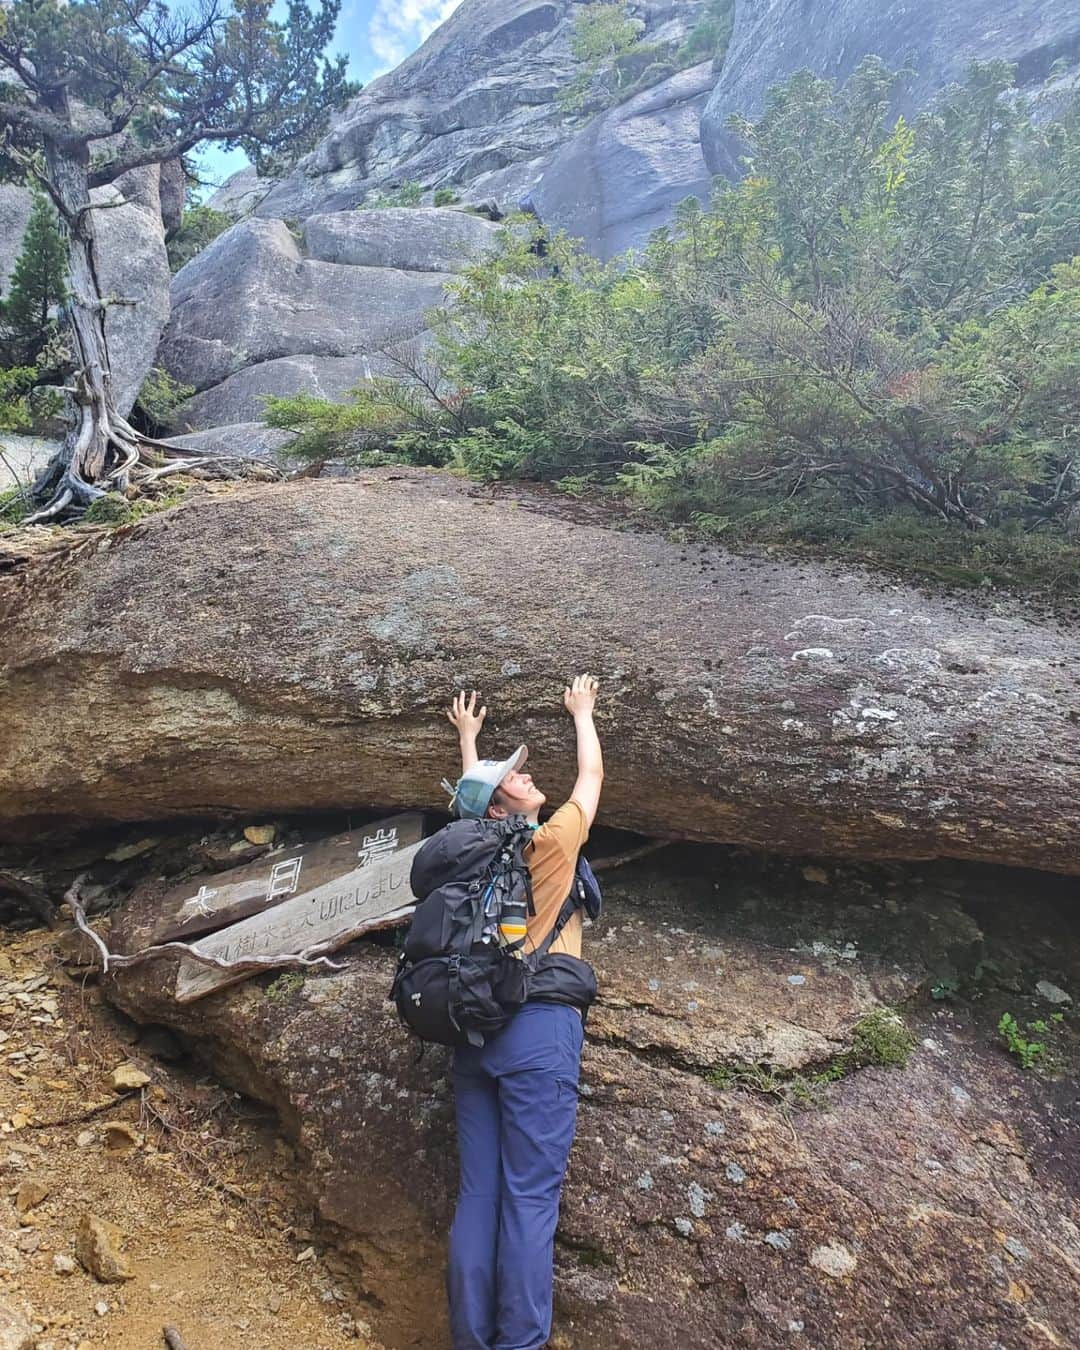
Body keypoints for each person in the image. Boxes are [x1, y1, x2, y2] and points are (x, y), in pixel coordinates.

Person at [443, 675, 604, 1350]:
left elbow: (473, 806)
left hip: (473, 1033)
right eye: (515, 777)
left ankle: (472, 1341)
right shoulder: (553, 843)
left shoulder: (472, 863)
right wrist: (583, 714)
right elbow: (591, 777)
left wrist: (470, 742)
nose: (526, 775)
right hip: (539, 1030)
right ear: (505, 808)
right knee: (530, 1200)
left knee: (479, 1197)